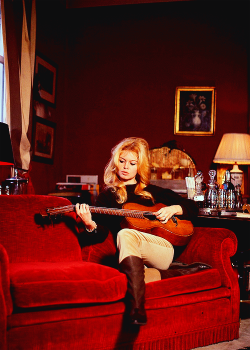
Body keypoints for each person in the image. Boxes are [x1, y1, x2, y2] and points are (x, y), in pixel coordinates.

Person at [76, 137, 198, 326]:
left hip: (161, 249)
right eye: (122, 161)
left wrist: (173, 209)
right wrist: (89, 224)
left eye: (132, 163)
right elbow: (100, 233)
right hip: (132, 257)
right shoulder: (107, 197)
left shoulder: (152, 191)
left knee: (125, 234)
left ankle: (136, 308)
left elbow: (192, 207)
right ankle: (176, 275)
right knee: (125, 276)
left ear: (139, 167)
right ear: (115, 164)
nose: (126, 167)